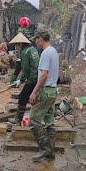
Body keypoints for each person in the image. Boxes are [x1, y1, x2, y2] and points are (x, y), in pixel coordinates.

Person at [28, 29, 60, 162]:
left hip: (45, 90)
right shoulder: (54, 51)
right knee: (49, 121)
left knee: (33, 120)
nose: (36, 42)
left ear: (41, 39)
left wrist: (34, 91)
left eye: (37, 39)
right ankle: (51, 150)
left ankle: (44, 148)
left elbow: (44, 75)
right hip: (53, 90)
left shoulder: (46, 54)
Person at [8, 32, 40, 123]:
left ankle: (18, 119)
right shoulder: (32, 49)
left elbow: (25, 68)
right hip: (38, 76)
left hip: (33, 77)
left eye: (16, 45)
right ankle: (35, 117)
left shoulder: (25, 52)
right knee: (32, 96)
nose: (16, 47)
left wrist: (21, 80)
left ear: (21, 44)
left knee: (22, 97)